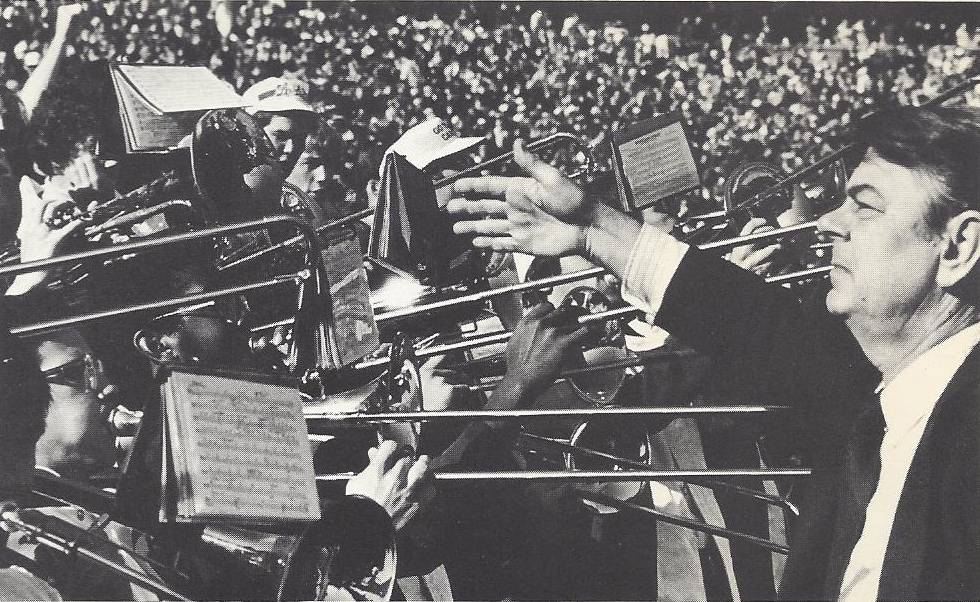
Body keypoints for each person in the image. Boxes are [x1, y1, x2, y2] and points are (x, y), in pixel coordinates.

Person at [447, 105, 980, 600]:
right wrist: (593, 227)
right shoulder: (878, 388)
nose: (827, 223)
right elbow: (760, 325)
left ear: (957, 248)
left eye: (865, 207)